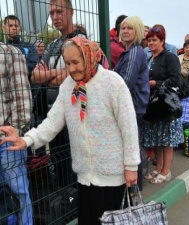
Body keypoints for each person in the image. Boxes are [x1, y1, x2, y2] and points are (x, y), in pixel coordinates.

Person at [0, 37, 140, 225]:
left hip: (113, 178)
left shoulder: (113, 83)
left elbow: (129, 127)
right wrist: (26, 140)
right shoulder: (68, 87)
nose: (71, 68)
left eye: (76, 62)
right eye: (67, 63)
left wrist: (131, 166)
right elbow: (51, 122)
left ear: (89, 57)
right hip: (84, 178)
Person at [31, 0, 86, 187]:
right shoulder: (53, 45)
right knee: (58, 166)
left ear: (70, 12)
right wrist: (56, 74)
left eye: (59, 12)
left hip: (75, 116)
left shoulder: (80, 42)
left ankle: (76, 205)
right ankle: (64, 206)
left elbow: (75, 76)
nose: (55, 17)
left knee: (75, 167)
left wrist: (48, 75)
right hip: (53, 116)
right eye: (52, 13)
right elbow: (34, 76)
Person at [143, 26, 184, 184]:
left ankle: (166, 171)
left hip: (166, 103)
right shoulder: (150, 58)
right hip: (153, 104)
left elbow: (175, 80)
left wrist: (155, 83)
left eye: (154, 40)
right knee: (157, 138)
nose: (151, 43)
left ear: (162, 41)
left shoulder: (170, 57)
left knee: (167, 139)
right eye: (149, 40)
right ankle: (158, 168)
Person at [114, 16, 150, 191]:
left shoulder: (135, 51)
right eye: (123, 28)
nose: (125, 31)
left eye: (130, 28)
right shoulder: (129, 51)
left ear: (137, 32)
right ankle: (134, 191)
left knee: (131, 150)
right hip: (133, 106)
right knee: (132, 148)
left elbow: (125, 82)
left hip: (132, 107)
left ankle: (134, 192)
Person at [0, 43, 32, 224]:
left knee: (18, 192)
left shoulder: (10, 53)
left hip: (7, 140)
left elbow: (22, 99)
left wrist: (16, 134)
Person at [3, 15, 39, 79]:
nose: (13, 28)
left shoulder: (30, 47)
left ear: (20, 28)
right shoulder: (2, 49)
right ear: (4, 28)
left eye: (16, 26)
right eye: (10, 26)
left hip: (28, 85)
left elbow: (33, 65)